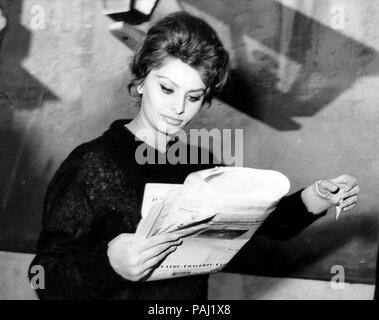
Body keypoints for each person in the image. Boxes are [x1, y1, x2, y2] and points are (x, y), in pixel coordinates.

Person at [28, 11, 359, 300]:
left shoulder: (202, 164)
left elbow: (265, 224)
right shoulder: (92, 163)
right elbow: (43, 277)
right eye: (167, 89)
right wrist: (107, 265)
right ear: (141, 81)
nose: (179, 109)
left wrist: (316, 196)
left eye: (194, 96)